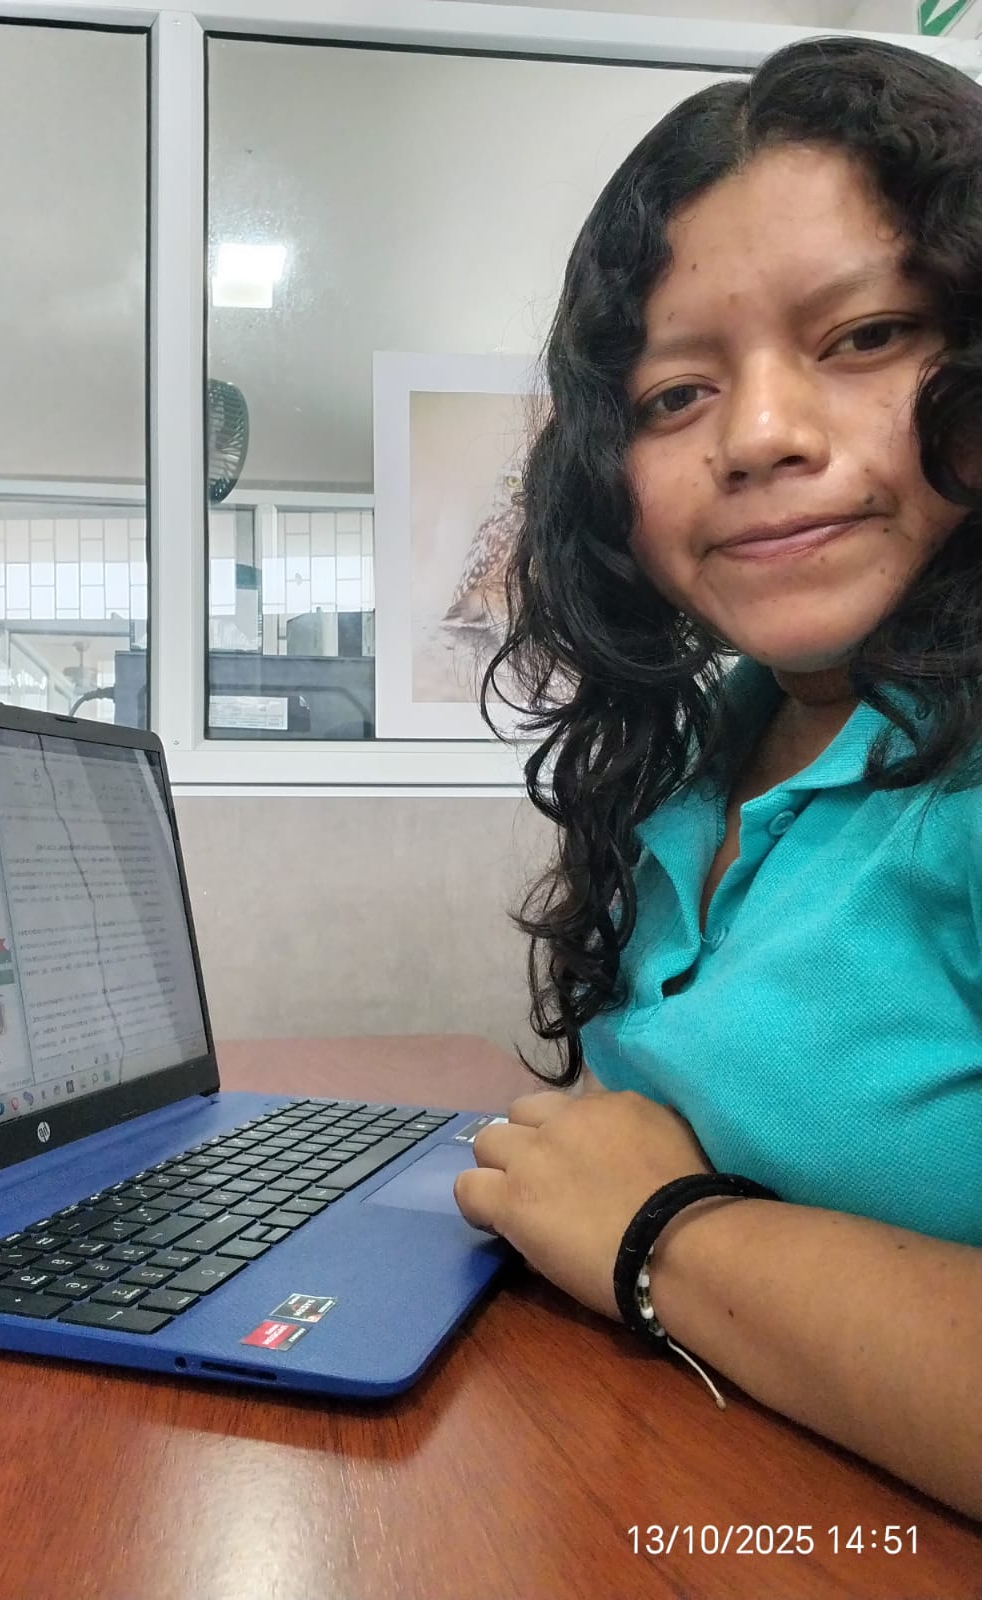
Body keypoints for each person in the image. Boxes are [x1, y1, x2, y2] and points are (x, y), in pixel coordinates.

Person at [453, 34, 982, 1521]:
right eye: (675, 394)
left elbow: (649, 1193)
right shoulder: (698, 748)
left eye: (865, 336)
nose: (756, 437)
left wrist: (660, 1231)